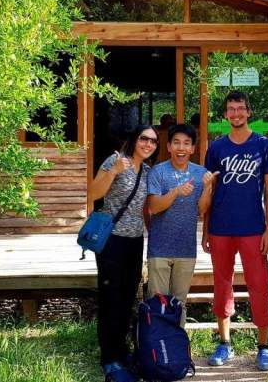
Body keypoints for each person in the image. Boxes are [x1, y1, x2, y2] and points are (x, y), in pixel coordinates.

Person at [202, 91, 268, 371]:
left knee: (259, 284)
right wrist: (206, 230)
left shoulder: (264, 145)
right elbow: (210, 189)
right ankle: (224, 342)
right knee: (222, 284)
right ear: (225, 114)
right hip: (221, 227)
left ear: (249, 112)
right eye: (231, 109)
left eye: (240, 108)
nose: (236, 113)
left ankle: (264, 346)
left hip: (253, 227)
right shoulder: (216, 148)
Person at [88, 125, 159, 382]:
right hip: (112, 240)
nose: (148, 144)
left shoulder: (148, 171)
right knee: (111, 298)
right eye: (144, 138)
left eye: (153, 141)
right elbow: (94, 193)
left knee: (128, 297)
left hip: (135, 241)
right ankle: (109, 359)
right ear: (134, 140)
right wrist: (114, 171)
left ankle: (121, 351)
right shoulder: (115, 160)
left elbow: (146, 209)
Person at [145, 123, 216, 325]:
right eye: (176, 142)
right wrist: (176, 191)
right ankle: (157, 344)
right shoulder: (158, 172)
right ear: (168, 146)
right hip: (159, 249)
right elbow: (154, 207)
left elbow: (201, 209)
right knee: (157, 303)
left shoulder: (201, 173)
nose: (181, 148)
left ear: (192, 148)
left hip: (186, 249)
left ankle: (177, 342)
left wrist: (207, 188)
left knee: (179, 304)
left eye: (186, 143)